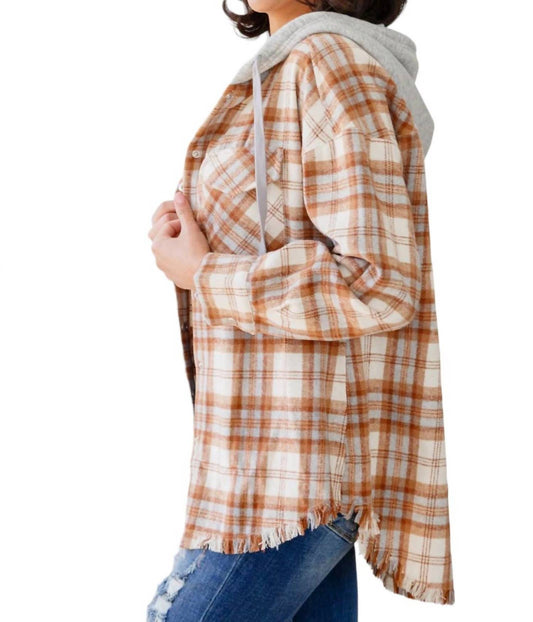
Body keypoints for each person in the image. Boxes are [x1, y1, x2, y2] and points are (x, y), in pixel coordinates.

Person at [146, 1, 455, 620]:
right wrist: (190, 235)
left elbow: (379, 281)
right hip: (272, 458)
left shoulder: (328, 61)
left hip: (294, 470)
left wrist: (205, 273)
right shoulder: (290, 66)